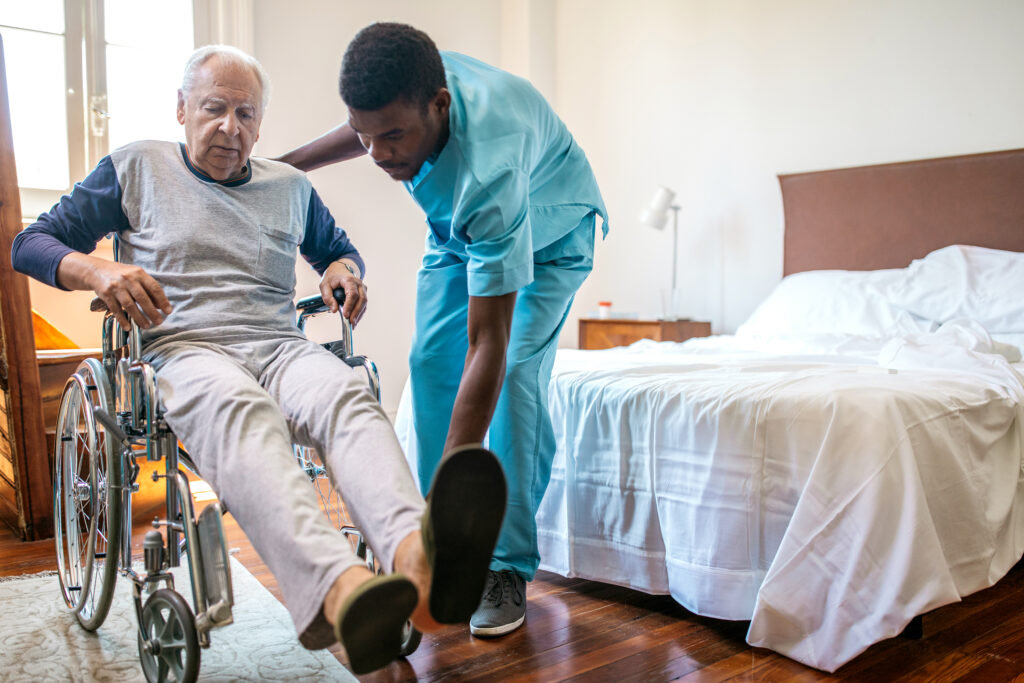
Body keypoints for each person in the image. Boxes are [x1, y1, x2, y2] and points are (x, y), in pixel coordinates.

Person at [11, 44, 506, 674]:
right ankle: (341, 592)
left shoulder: (289, 186)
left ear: (261, 124)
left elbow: (339, 250)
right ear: (183, 108)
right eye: (214, 109)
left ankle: (417, 560)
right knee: (243, 411)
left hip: (278, 344)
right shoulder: (135, 166)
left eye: (246, 114)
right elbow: (30, 243)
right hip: (184, 345)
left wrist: (343, 273)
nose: (230, 127)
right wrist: (96, 268)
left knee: (347, 394)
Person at [278, 22, 608, 637]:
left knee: (512, 375)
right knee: (431, 366)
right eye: (365, 135)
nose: (378, 154)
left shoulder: (489, 167)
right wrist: (287, 166)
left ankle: (502, 564)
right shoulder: (411, 76)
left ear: (440, 106)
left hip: (549, 232)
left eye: (393, 137)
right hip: (462, 233)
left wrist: (461, 488)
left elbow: (489, 342)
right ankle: (427, 552)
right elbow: (371, 126)